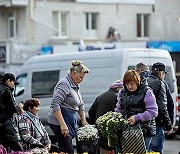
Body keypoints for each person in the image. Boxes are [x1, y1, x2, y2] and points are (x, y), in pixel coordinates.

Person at [47, 60, 89, 154]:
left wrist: (83, 120)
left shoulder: (75, 85)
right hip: (59, 121)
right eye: (81, 77)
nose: (82, 80)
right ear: (74, 73)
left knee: (70, 148)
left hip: (70, 119)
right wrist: (62, 124)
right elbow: (55, 104)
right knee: (68, 150)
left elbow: (80, 104)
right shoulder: (64, 84)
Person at [114, 70, 158, 151]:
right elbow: (118, 109)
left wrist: (136, 118)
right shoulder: (122, 92)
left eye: (132, 84)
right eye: (127, 84)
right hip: (127, 130)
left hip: (144, 130)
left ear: (137, 82)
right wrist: (116, 118)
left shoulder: (147, 92)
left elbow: (153, 112)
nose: (129, 87)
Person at [88, 80, 123, 154]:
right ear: (119, 88)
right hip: (111, 133)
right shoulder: (117, 97)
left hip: (99, 130)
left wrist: (94, 123)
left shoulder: (101, 96)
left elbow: (91, 112)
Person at [146, 62, 173, 154]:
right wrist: (169, 125)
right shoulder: (160, 83)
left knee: (146, 149)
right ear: (161, 73)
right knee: (156, 150)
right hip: (157, 122)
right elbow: (162, 107)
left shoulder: (144, 81)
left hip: (144, 121)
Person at [0, 73, 23, 152]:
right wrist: (19, 107)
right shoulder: (6, 91)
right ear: (8, 81)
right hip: (7, 123)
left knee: (4, 148)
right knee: (18, 149)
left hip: (2, 124)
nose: (14, 85)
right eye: (13, 82)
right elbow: (12, 109)